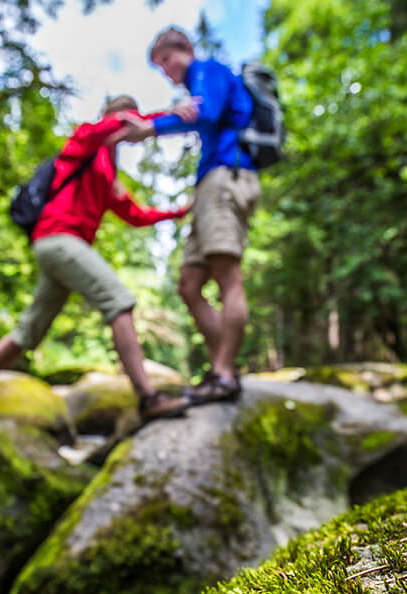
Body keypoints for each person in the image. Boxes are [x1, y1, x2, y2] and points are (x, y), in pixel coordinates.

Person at [0, 95, 192, 423]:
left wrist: (178, 212)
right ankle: (147, 398)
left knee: (29, 332)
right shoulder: (85, 142)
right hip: (58, 240)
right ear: (110, 117)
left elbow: (134, 214)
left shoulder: (109, 174)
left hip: (62, 249)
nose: (128, 127)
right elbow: (112, 127)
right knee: (119, 302)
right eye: (123, 119)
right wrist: (163, 118)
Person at [118, 26, 261, 405]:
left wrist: (151, 126)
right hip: (209, 185)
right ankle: (221, 368)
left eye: (165, 61)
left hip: (227, 177)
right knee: (188, 284)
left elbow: (206, 112)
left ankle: (225, 375)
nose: (165, 71)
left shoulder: (207, 70)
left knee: (227, 277)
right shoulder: (198, 79)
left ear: (183, 49)